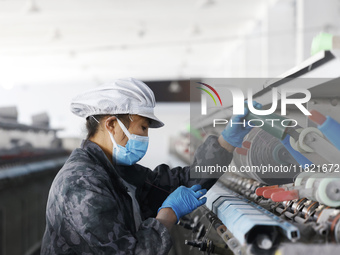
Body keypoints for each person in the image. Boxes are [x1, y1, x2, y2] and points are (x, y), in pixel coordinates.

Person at [41, 78, 260, 255]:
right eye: (143, 127)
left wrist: (226, 143)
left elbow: (180, 182)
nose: (145, 136)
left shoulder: (116, 171)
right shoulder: (81, 184)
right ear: (111, 124)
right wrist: (168, 214)